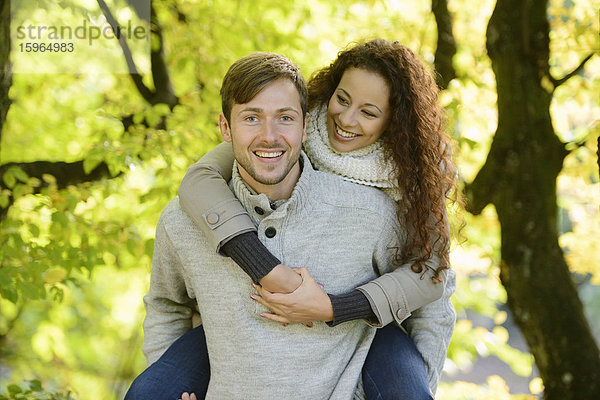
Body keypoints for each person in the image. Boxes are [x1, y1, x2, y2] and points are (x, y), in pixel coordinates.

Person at [126, 50, 440, 400]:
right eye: (251, 118)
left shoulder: (404, 190)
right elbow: (198, 182)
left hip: (367, 320)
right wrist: (264, 266)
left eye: (368, 112)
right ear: (224, 127)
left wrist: (335, 308)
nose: (347, 120)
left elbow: (432, 283)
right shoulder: (195, 208)